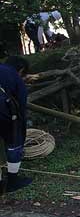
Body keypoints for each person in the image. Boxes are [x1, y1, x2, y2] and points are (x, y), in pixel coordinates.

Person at [0, 56, 32, 194]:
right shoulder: (15, 76)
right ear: (21, 70)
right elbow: (21, 106)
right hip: (2, 112)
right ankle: (13, 181)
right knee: (15, 142)